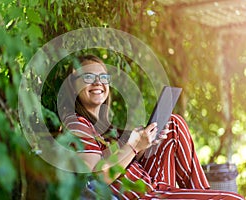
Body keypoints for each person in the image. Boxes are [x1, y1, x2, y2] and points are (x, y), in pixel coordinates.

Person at [59, 54, 244, 199]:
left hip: (148, 186)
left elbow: (115, 161)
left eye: (103, 77)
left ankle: (203, 193)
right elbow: (96, 178)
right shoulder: (76, 123)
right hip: (142, 195)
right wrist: (134, 146)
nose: (98, 82)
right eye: (88, 76)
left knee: (172, 124)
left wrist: (145, 142)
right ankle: (204, 194)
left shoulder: (101, 128)